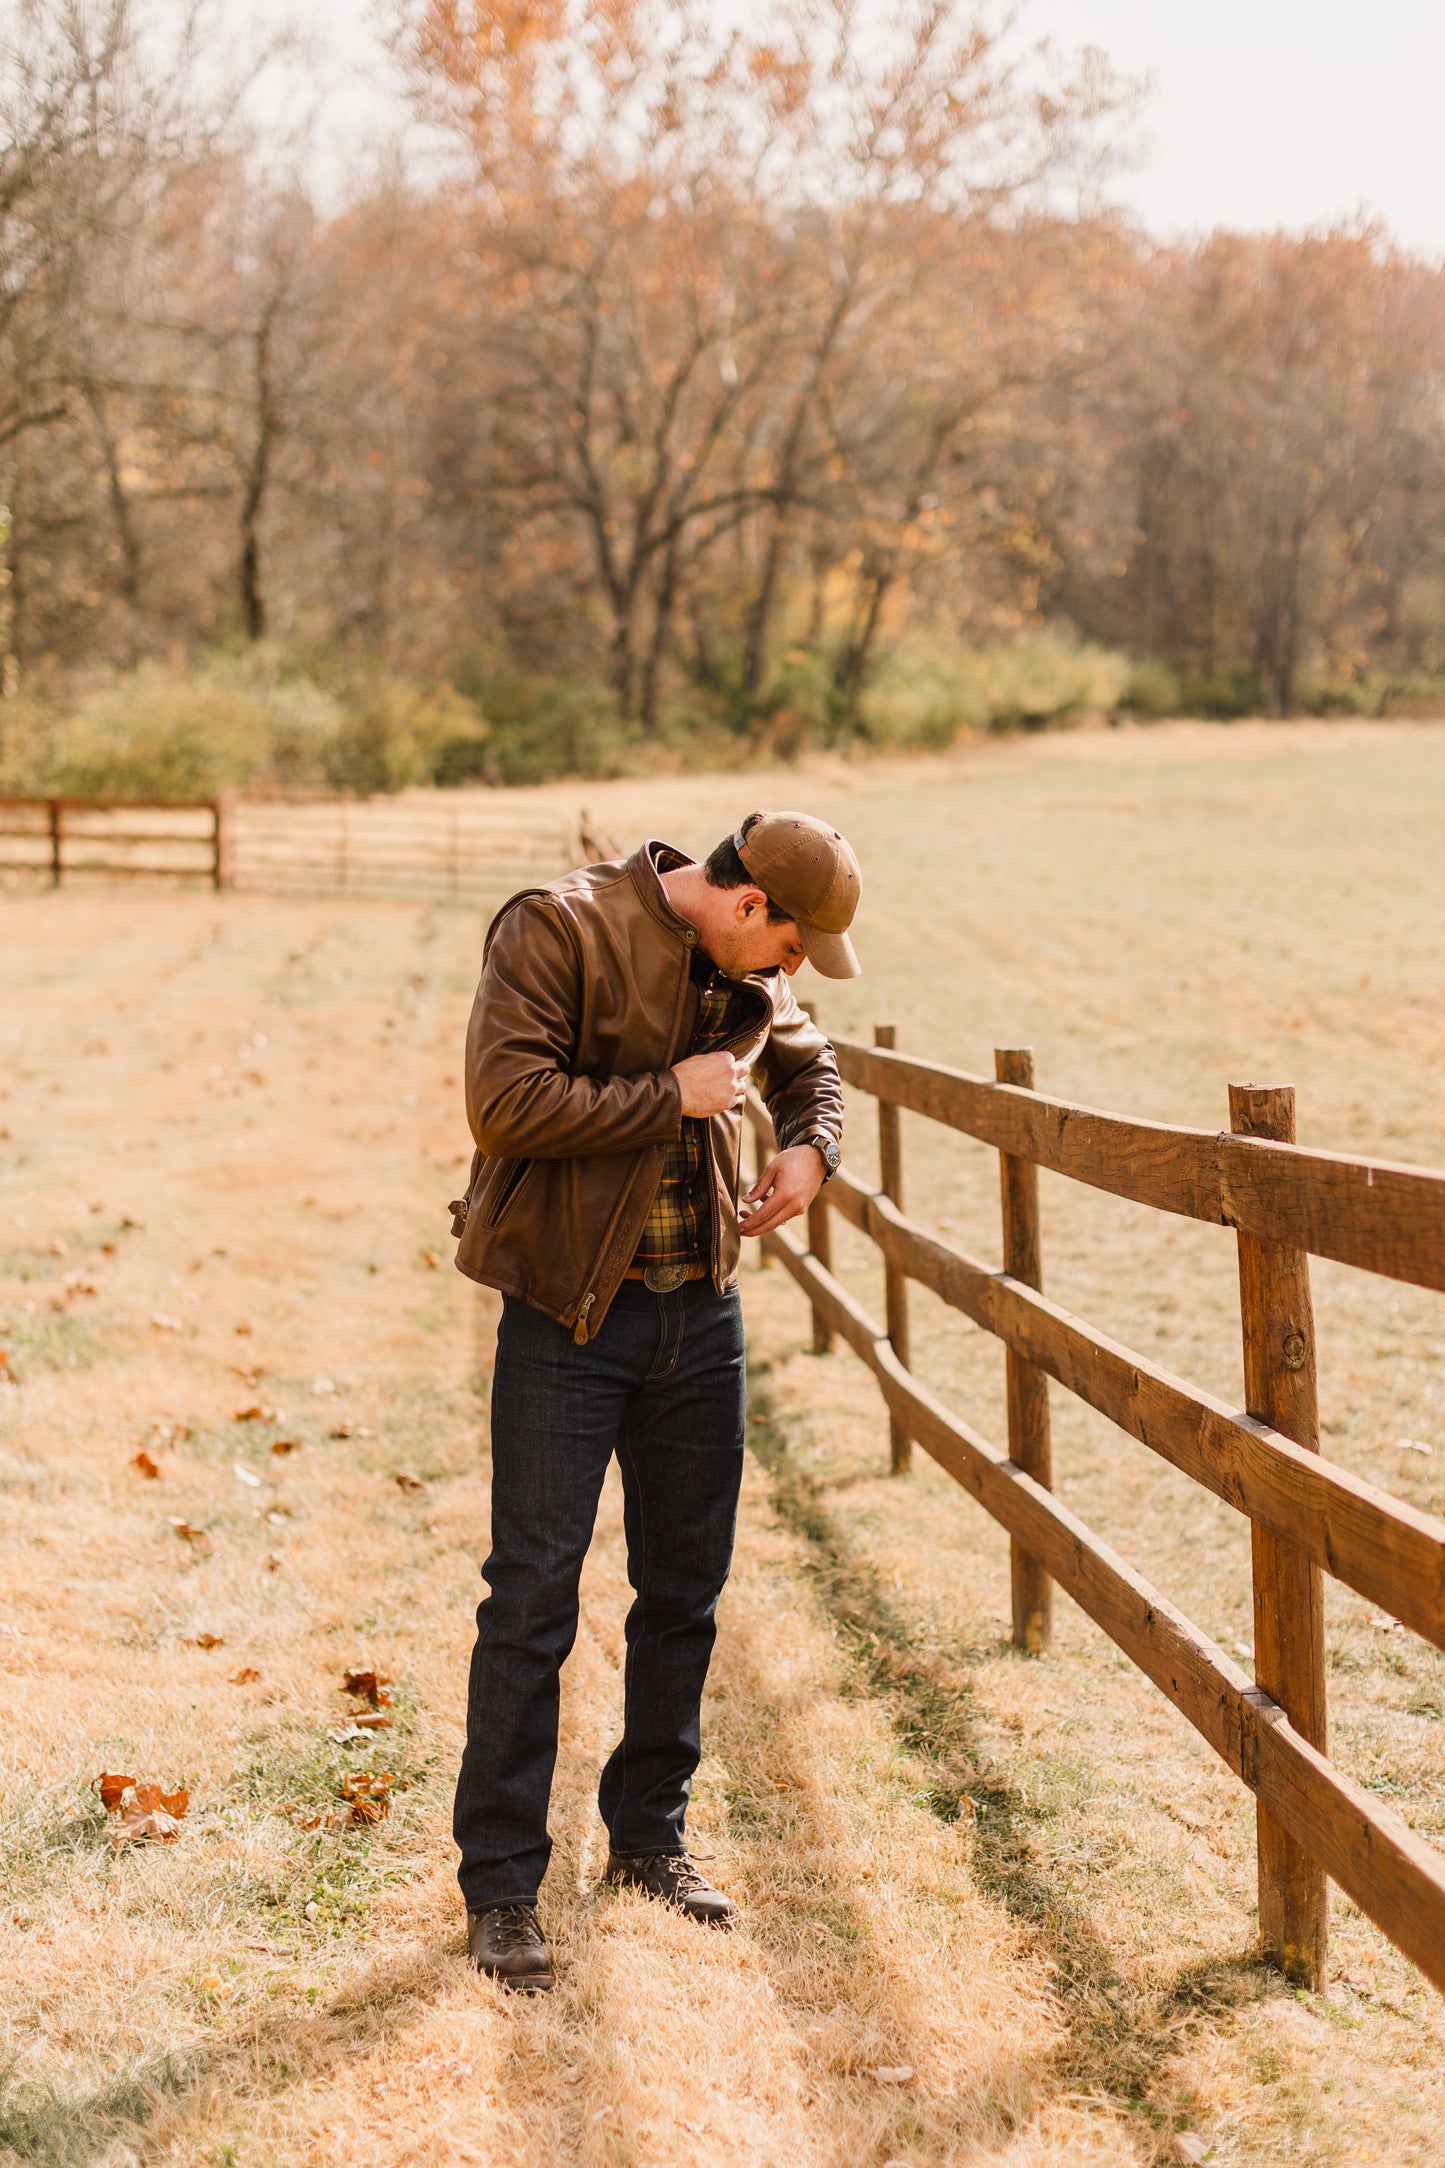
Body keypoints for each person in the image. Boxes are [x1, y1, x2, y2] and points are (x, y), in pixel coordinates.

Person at [448, 810, 862, 1989]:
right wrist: (666, 1095)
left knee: (682, 1589)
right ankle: (503, 1887)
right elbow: (504, 1103)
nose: (787, 976)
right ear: (746, 907)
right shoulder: (554, 928)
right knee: (530, 1596)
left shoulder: (747, 974)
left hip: (701, 1318)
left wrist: (809, 1149)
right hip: (569, 1320)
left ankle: (646, 1840)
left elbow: (807, 1062)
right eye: (785, 950)